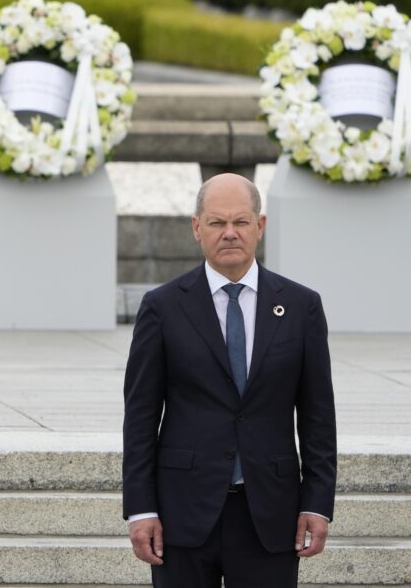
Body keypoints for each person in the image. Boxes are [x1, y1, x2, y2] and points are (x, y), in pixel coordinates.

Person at [122, 173, 336, 587]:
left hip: (270, 515)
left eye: (240, 222)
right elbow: (140, 417)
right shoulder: (162, 307)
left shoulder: (300, 306)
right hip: (181, 513)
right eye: (217, 223)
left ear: (261, 226)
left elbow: (318, 416)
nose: (230, 234)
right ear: (197, 228)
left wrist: (317, 502)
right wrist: (141, 508)